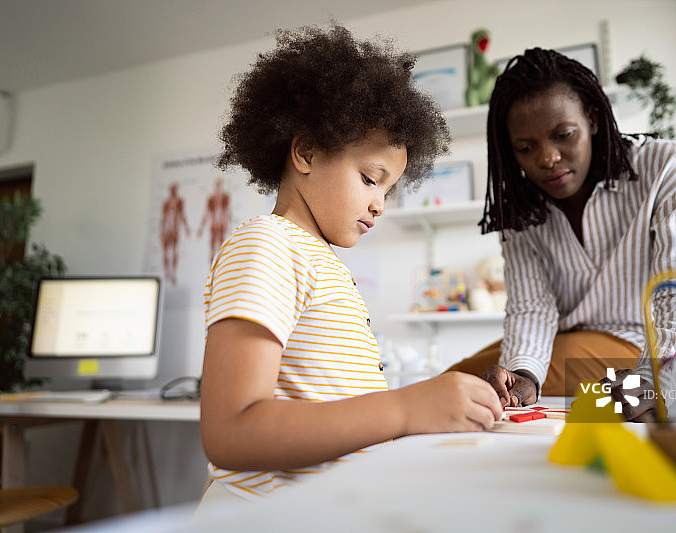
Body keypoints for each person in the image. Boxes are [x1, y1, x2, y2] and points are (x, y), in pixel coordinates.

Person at [199, 24, 502, 504]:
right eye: (369, 179)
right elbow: (230, 432)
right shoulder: (267, 244)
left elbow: (339, 408)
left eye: (388, 190)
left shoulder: (324, 263)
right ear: (306, 152)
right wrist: (405, 409)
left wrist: (441, 401)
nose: (380, 205)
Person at [448, 48, 676, 422]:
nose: (547, 158)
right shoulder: (522, 209)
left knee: (455, 387)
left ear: (592, 118)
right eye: (525, 148)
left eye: (563, 135)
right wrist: (524, 375)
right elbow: (531, 307)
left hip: (654, 352)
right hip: (567, 344)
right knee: (463, 380)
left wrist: (652, 382)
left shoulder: (666, 168)